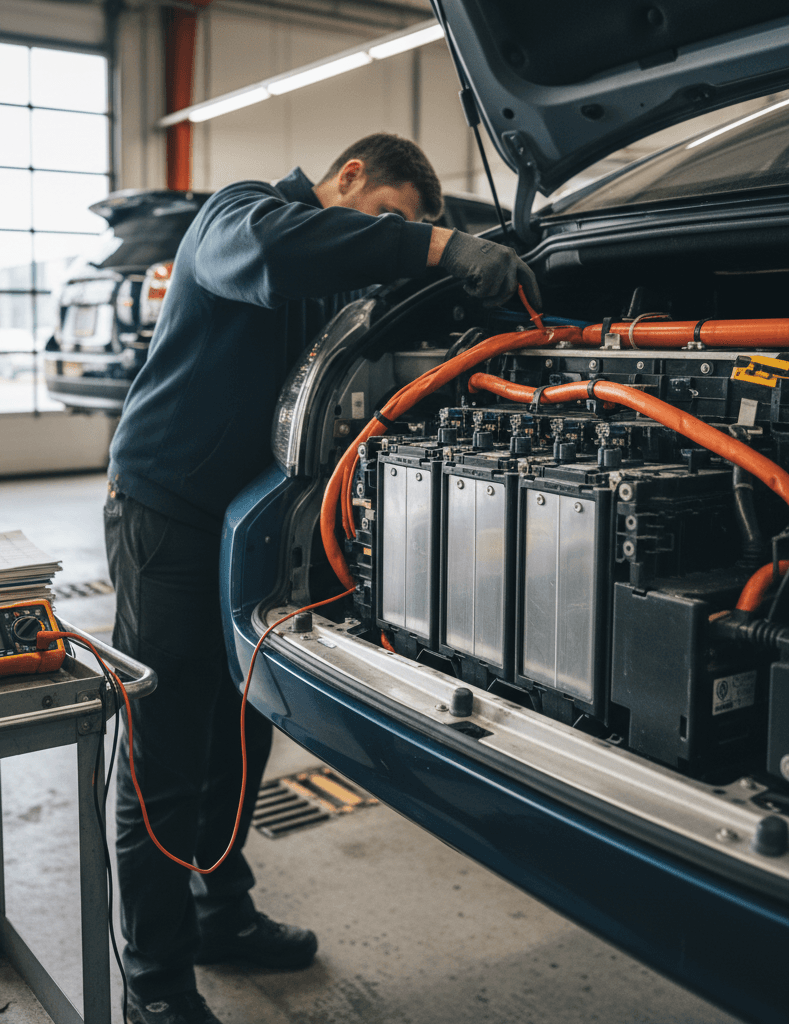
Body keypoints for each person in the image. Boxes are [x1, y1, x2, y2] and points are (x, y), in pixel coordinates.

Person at [104, 132, 539, 1024]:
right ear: (346, 178)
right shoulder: (239, 215)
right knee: (166, 746)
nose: (394, 239)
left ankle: (219, 913)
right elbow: (271, 254)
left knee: (239, 730)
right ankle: (152, 982)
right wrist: (436, 243)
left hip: (252, 522)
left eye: (408, 228)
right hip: (167, 517)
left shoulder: (336, 268)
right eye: (387, 215)